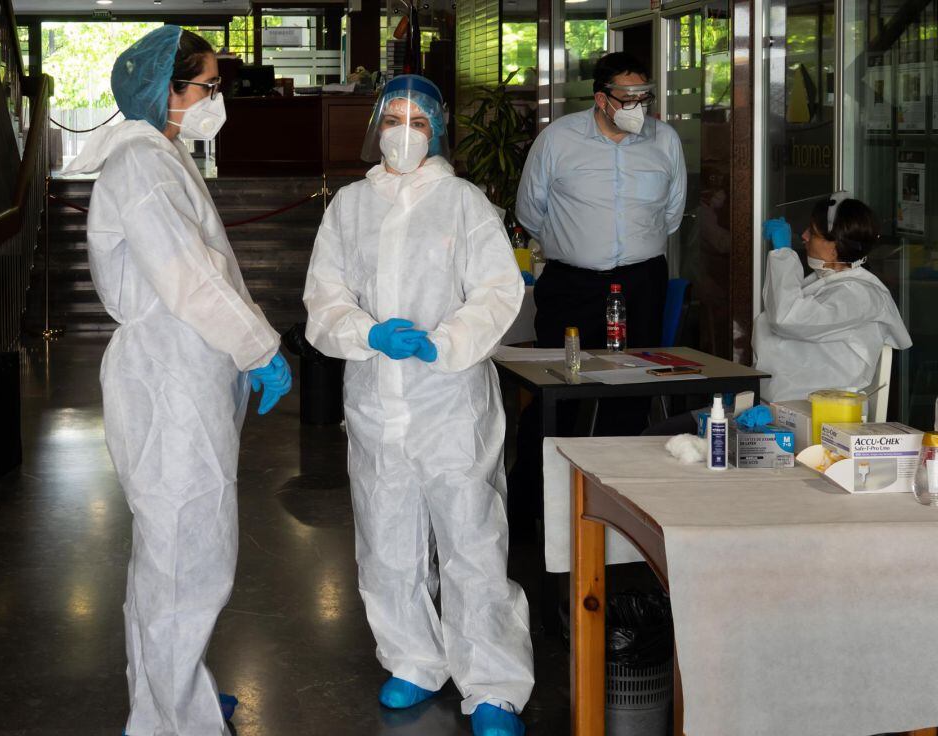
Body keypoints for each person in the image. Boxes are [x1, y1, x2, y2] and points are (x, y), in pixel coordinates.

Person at [63, 26, 291, 735]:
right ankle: (171, 719)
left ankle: (171, 691)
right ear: (169, 92)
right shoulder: (142, 165)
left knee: (172, 554)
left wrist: (244, 350)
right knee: (184, 560)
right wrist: (258, 347)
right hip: (168, 377)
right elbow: (190, 280)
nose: (216, 99)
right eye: (207, 88)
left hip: (181, 370)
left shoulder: (161, 157)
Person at [303, 74, 533, 736]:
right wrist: (364, 333)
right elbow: (325, 297)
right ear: (375, 125)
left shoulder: (463, 203)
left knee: (472, 540)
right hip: (377, 402)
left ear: (438, 133)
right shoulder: (348, 206)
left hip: (451, 401)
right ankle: (411, 659)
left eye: (420, 122)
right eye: (394, 118)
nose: (405, 132)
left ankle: (493, 685)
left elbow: (497, 289)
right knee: (386, 542)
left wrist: (448, 342)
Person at [516, 51, 686, 356]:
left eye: (644, 98)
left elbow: (671, 214)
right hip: (572, 285)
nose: (638, 108)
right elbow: (530, 210)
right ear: (601, 99)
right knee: (561, 378)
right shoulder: (558, 139)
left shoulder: (665, 140)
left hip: (642, 285)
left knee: (635, 380)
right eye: (627, 99)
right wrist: (576, 245)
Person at [753, 192, 912, 403]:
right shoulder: (830, 283)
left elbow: (787, 318)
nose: (804, 236)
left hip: (824, 415)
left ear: (835, 248)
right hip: (789, 407)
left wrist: (783, 253)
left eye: (813, 233)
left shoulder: (860, 295)